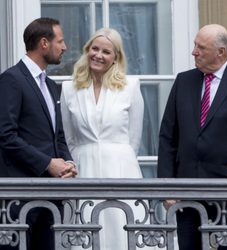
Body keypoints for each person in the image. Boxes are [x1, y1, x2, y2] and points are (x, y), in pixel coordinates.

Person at [157, 24, 227, 250]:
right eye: (194, 45)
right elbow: (168, 137)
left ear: (221, 52)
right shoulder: (183, 81)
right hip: (187, 190)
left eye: (201, 47)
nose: (194, 52)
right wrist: (166, 187)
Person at [60, 28, 148, 250]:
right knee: (85, 234)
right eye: (94, 48)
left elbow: (134, 139)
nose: (98, 55)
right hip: (83, 168)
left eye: (106, 51)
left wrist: (120, 160)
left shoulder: (131, 86)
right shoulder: (69, 88)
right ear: (87, 50)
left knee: (122, 232)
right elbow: (68, 137)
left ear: (116, 57)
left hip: (121, 169)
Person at [0, 17, 77, 250]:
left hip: (51, 196)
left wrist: (67, 162)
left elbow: (58, 136)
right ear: (44, 43)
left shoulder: (52, 85)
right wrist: (47, 163)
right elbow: (5, 135)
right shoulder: (11, 80)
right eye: (60, 41)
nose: (64, 48)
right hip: (20, 197)